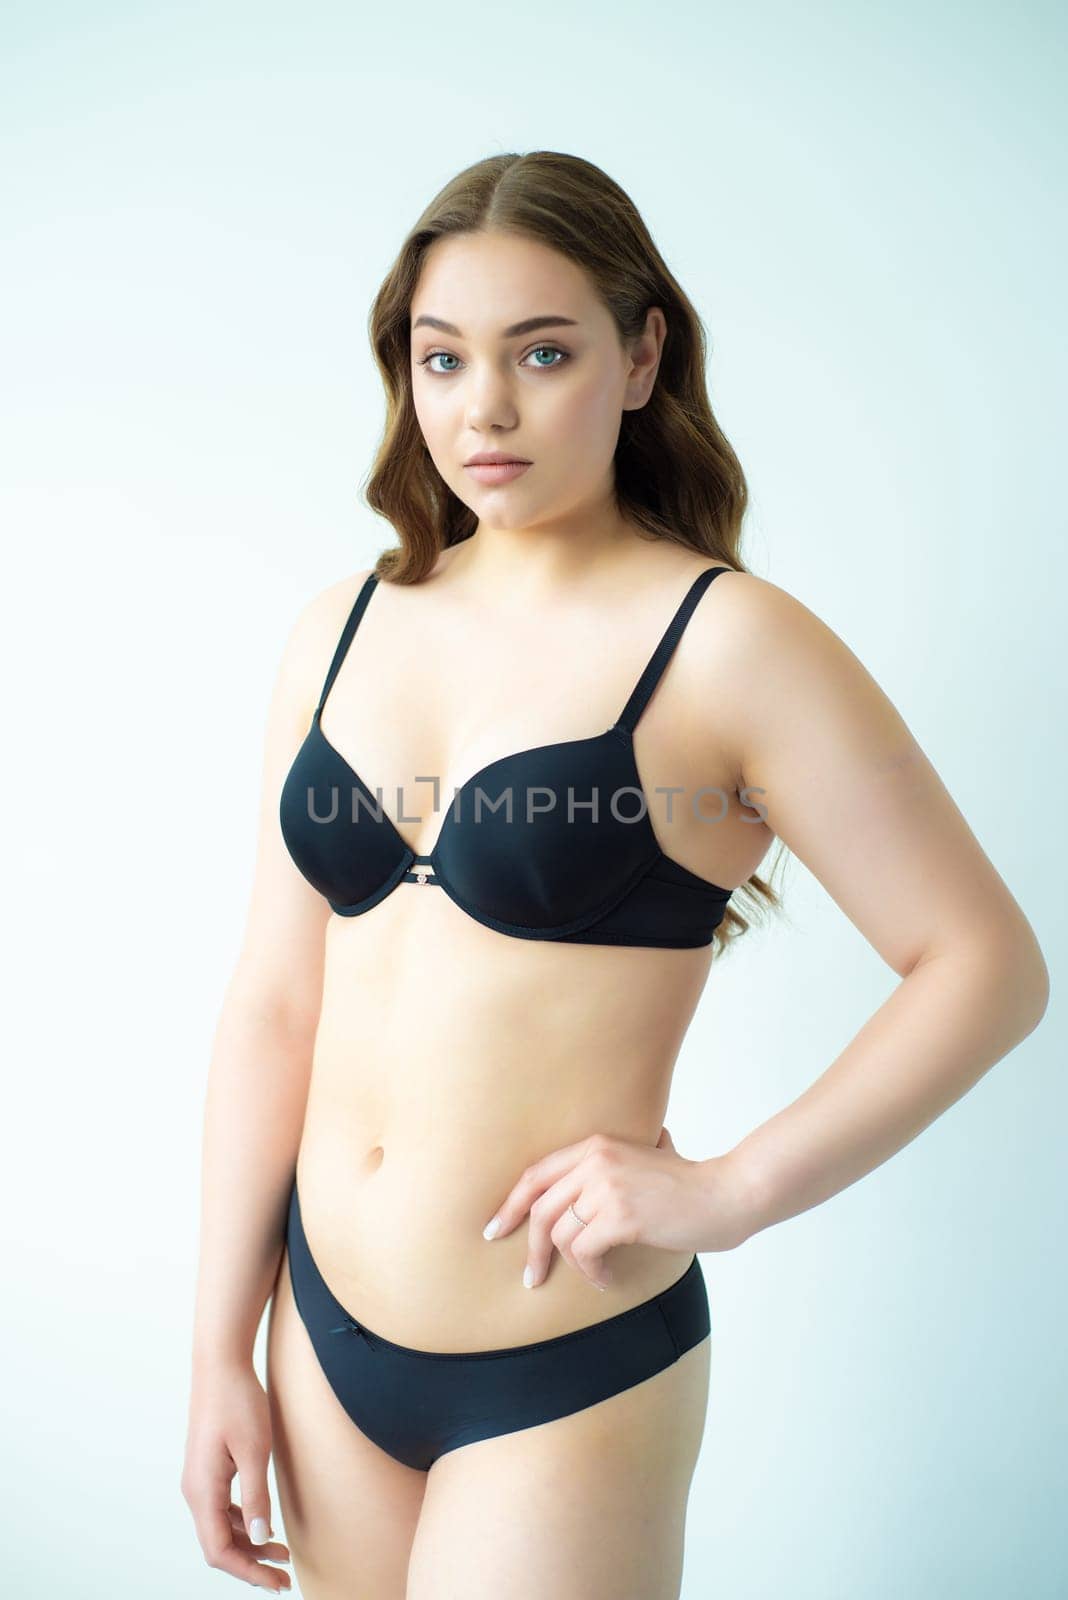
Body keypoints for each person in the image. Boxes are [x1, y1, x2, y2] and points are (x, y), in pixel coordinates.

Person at [181, 151, 1049, 1600]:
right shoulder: (338, 628)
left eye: (544, 351)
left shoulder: (728, 643)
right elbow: (276, 1005)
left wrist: (732, 1188)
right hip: (318, 1338)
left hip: (559, 1369)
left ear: (642, 356)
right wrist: (217, 1342)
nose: (486, 407)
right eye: (442, 357)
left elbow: (987, 964)